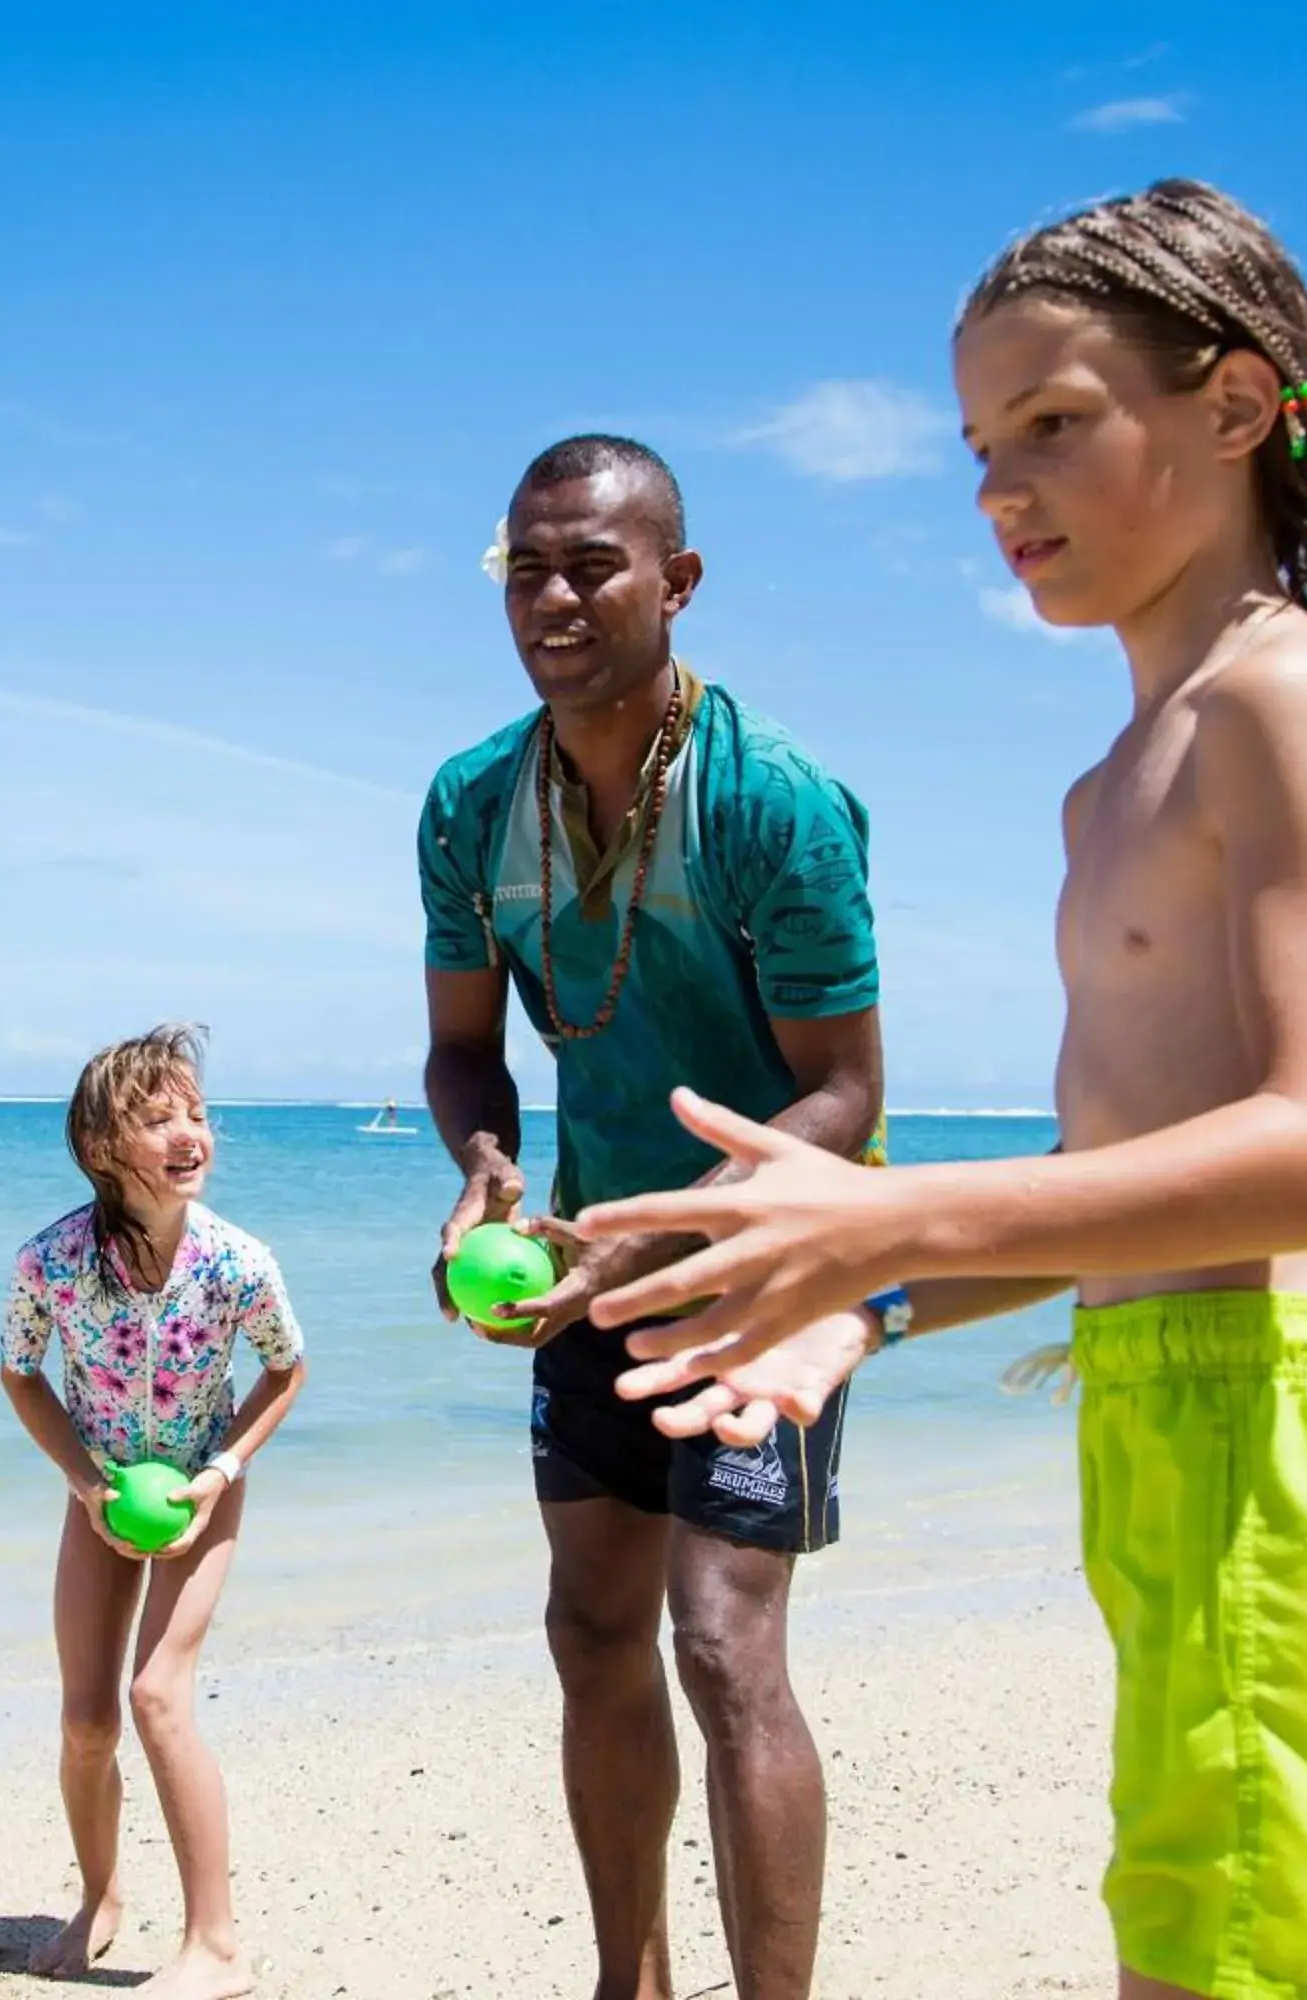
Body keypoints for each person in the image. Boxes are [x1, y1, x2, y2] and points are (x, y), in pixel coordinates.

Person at [568, 181, 1307, 2000]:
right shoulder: (1114, 781)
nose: (1001, 488)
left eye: (1056, 425)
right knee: (1189, 1926)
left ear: (1235, 405)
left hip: (1279, 1441)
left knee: (1242, 1955)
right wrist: (872, 1298)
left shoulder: (1289, 702)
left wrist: (894, 1209)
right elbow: (1121, 1176)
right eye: (981, 443)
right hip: (1167, 1419)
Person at [416, 436, 883, 2000]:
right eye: (525, 567)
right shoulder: (471, 805)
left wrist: (653, 1240)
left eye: (592, 565)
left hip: (775, 1270)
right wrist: (485, 1175)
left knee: (720, 1643)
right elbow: (465, 1046)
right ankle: (632, 1983)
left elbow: (843, 1095)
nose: (552, 596)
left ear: (677, 584)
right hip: (584, 1263)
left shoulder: (779, 808)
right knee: (590, 1626)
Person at [0, 1026, 305, 2000]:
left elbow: (286, 1365)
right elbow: (19, 1368)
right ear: (101, 1148)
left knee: (157, 1693)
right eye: (158, 1116)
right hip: (100, 1492)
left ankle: (215, 1942)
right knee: (86, 1720)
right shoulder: (51, 1260)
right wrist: (87, 1484)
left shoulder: (238, 1261)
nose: (189, 1132)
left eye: (197, 1112)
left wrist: (219, 1470)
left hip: (201, 1487)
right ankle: (99, 1897)